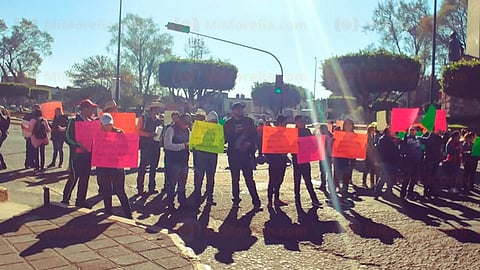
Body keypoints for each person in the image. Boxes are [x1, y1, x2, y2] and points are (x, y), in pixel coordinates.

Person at [223, 102, 262, 211]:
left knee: (249, 179)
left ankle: (256, 202)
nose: (240, 111)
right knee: (235, 179)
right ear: (233, 111)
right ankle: (236, 200)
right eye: (238, 109)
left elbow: (255, 135)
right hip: (233, 155)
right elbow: (225, 139)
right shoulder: (228, 124)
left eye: (241, 109)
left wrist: (249, 144)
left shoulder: (249, 122)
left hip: (246, 155)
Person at [62, 99, 98, 207]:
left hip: (88, 155)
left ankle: (81, 200)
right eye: (90, 108)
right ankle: (65, 199)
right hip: (76, 155)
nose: (92, 110)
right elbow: (67, 137)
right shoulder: (73, 120)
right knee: (74, 176)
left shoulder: (91, 121)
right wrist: (77, 144)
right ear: (84, 109)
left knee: (85, 178)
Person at [96, 113, 132, 219]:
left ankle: (128, 213)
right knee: (106, 190)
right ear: (101, 125)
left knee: (120, 190)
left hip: (117, 166)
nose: (108, 127)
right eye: (106, 125)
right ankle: (108, 212)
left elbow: (126, 148)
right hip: (103, 167)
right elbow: (95, 150)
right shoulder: (98, 134)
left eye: (109, 125)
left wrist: (121, 159)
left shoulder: (119, 133)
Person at [192, 111, 220, 206]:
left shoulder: (218, 130)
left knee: (211, 177)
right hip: (202, 155)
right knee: (199, 176)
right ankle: (197, 196)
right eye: (212, 121)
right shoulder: (201, 128)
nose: (214, 123)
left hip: (212, 155)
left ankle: (209, 197)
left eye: (215, 121)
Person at [164, 114, 191, 211]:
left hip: (184, 160)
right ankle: (170, 203)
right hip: (173, 160)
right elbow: (167, 145)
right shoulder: (171, 129)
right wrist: (183, 146)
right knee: (172, 183)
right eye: (185, 124)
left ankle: (182, 201)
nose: (186, 126)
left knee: (182, 183)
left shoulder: (187, 130)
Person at [292, 115, 321, 208]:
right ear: (296, 122)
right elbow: (290, 145)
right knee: (297, 180)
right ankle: (297, 199)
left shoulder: (307, 131)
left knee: (308, 180)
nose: (302, 123)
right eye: (300, 121)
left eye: (303, 121)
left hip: (305, 159)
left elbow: (312, 144)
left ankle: (314, 199)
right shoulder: (292, 132)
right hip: (296, 159)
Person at [135, 100, 163, 195]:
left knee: (153, 168)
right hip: (145, 146)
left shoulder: (159, 120)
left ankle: (151, 187)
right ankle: (140, 188)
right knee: (143, 167)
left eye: (158, 109)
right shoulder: (143, 118)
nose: (157, 110)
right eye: (156, 108)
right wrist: (149, 134)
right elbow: (137, 131)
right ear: (152, 109)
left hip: (155, 146)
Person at [265, 115, 290, 208]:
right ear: (279, 124)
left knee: (279, 180)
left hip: (282, 162)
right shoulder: (272, 135)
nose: (286, 126)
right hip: (274, 162)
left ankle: (276, 199)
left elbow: (287, 146)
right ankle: (270, 201)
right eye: (284, 124)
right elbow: (267, 150)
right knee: (272, 181)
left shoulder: (285, 135)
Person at [374, 127, 400, 199]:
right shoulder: (383, 139)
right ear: (387, 132)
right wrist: (393, 142)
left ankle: (389, 191)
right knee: (383, 177)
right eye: (391, 131)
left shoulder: (392, 139)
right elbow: (384, 149)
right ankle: (377, 192)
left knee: (391, 177)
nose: (393, 132)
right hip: (386, 161)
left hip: (393, 161)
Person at [333, 119, 356, 199]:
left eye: (350, 124)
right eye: (346, 124)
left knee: (346, 176)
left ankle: (344, 192)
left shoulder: (354, 135)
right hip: (339, 159)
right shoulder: (340, 134)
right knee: (337, 176)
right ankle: (334, 192)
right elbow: (336, 145)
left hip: (349, 159)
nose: (348, 126)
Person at [399, 126, 423, 199]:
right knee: (406, 178)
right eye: (411, 130)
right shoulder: (406, 138)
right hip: (409, 162)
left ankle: (410, 193)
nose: (412, 131)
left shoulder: (418, 138)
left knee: (414, 179)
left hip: (417, 161)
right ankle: (403, 194)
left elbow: (424, 144)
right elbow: (402, 149)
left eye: (414, 130)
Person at [420, 128, 444, 198]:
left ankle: (432, 190)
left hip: (436, 158)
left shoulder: (439, 138)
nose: (438, 131)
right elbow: (424, 142)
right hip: (429, 158)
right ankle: (426, 190)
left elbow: (441, 148)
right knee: (428, 175)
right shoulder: (429, 136)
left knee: (434, 175)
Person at [22, 104, 40, 169]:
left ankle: (33, 163)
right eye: (36, 108)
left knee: (35, 151)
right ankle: (27, 163)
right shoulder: (28, 116)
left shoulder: (39, 116)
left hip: (36, 136)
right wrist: (25, 135)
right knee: (29, 150)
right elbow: (24, 125)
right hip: (30, 136)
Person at [317, 124, 333, 191]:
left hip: (326, 156)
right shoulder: (329, 136)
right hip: (325, 156)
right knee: (326, 171)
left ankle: (326, 185)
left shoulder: (327, 136)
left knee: (325, 171)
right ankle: (326, 185)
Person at [362, 124, 378, 189]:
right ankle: (364, 182)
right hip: (367, 155)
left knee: (372, 170)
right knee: (366, 169)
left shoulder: (374, 136)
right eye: (372, 129)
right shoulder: (366, 136)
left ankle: (372, 183)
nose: (373, 131)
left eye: (374, 129)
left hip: (373, 155)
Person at [0, 105, 11, 170]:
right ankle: (3, 164)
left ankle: (3, 164)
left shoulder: (4, 117)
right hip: (3, 134)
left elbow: (3, 120)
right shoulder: (6, 117)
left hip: (2, 134)